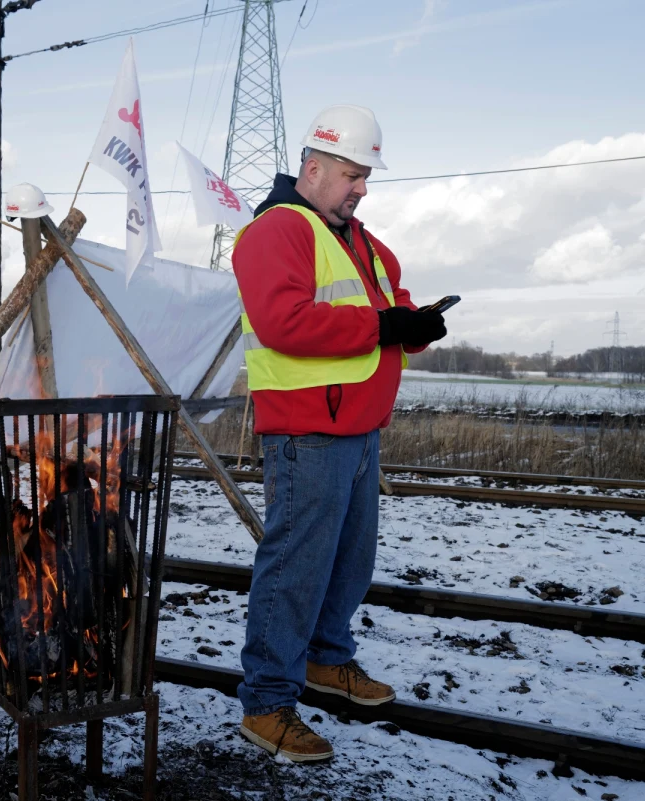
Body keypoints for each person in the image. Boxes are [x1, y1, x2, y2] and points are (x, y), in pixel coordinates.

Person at [231, 105, 447, 761]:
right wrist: (387, 327)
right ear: (314, 167)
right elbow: (284, 322)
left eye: (365, 177)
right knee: (296, 566)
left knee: (350, 561)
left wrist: (417, 325)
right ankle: (267, 702)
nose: (361, 188)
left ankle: (326, 657)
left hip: (359, 427)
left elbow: (390, 307)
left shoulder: (363, 241)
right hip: (308, 431)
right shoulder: (277, 229)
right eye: (353, 175)